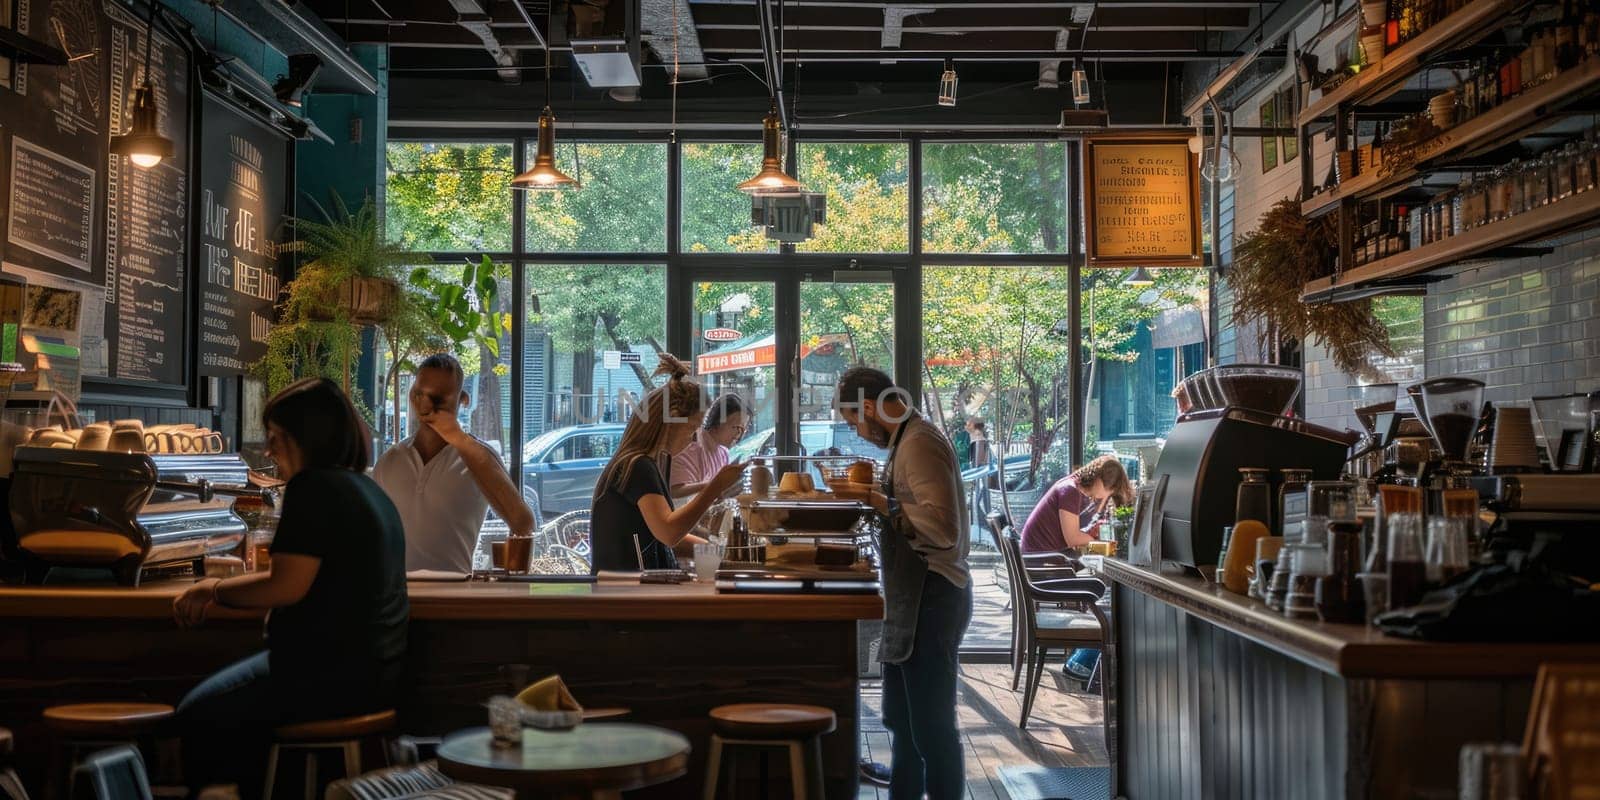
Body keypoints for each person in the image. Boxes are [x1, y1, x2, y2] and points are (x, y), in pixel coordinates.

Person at [173, 379, 408, 795]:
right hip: (373, 679)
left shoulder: (313, 487)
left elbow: (285, 587)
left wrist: (211, 590)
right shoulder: (371, 490)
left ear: (305, 437)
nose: (269, 450)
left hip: (322, 679)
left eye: (276, 437)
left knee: (196, 714)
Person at [831, 367, 971, 800]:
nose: (858, 431)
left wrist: (874, 499)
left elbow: (942, 528)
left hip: (934, 593)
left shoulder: (919, 444)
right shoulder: (905, 442)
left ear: (869, 407)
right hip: (912, 597)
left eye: (855, 421)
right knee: (902, 725)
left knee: (930, 729)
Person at [374, 354, 536, 573]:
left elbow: (523, 523)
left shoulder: (477, 458)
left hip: (454, 596)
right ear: (413, 396)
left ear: (463, 400)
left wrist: (510, 588)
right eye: (421, 395)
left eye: (439, 399)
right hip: (397, 598)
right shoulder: (390, 461)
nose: (428, 405)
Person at [590, 354, 746, 572]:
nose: (693, 439)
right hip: (625, 596)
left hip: (625, 590)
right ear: (672, 419)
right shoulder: (638, 467)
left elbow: (662, 536)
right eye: (692, 429)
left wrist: (720, 554)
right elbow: (669, 532)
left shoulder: (645, 463)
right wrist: (714, 487)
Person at [1019, 454, 1133, 554]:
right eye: (1110, 490)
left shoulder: (1072, 485)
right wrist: (1106, 548)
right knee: (1104, 565)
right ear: (1099, 479)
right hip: (1040, 561)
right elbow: (1073, 539)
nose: (1107, 495)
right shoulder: (1070, 491)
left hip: (1042, 555)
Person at [669, 393, 748, 497]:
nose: (740, 434)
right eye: (736, 427)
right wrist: (718, 485)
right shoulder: (689, 446)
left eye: (743, 429)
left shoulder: (723, 452)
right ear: (717, 421)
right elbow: (675, 492)